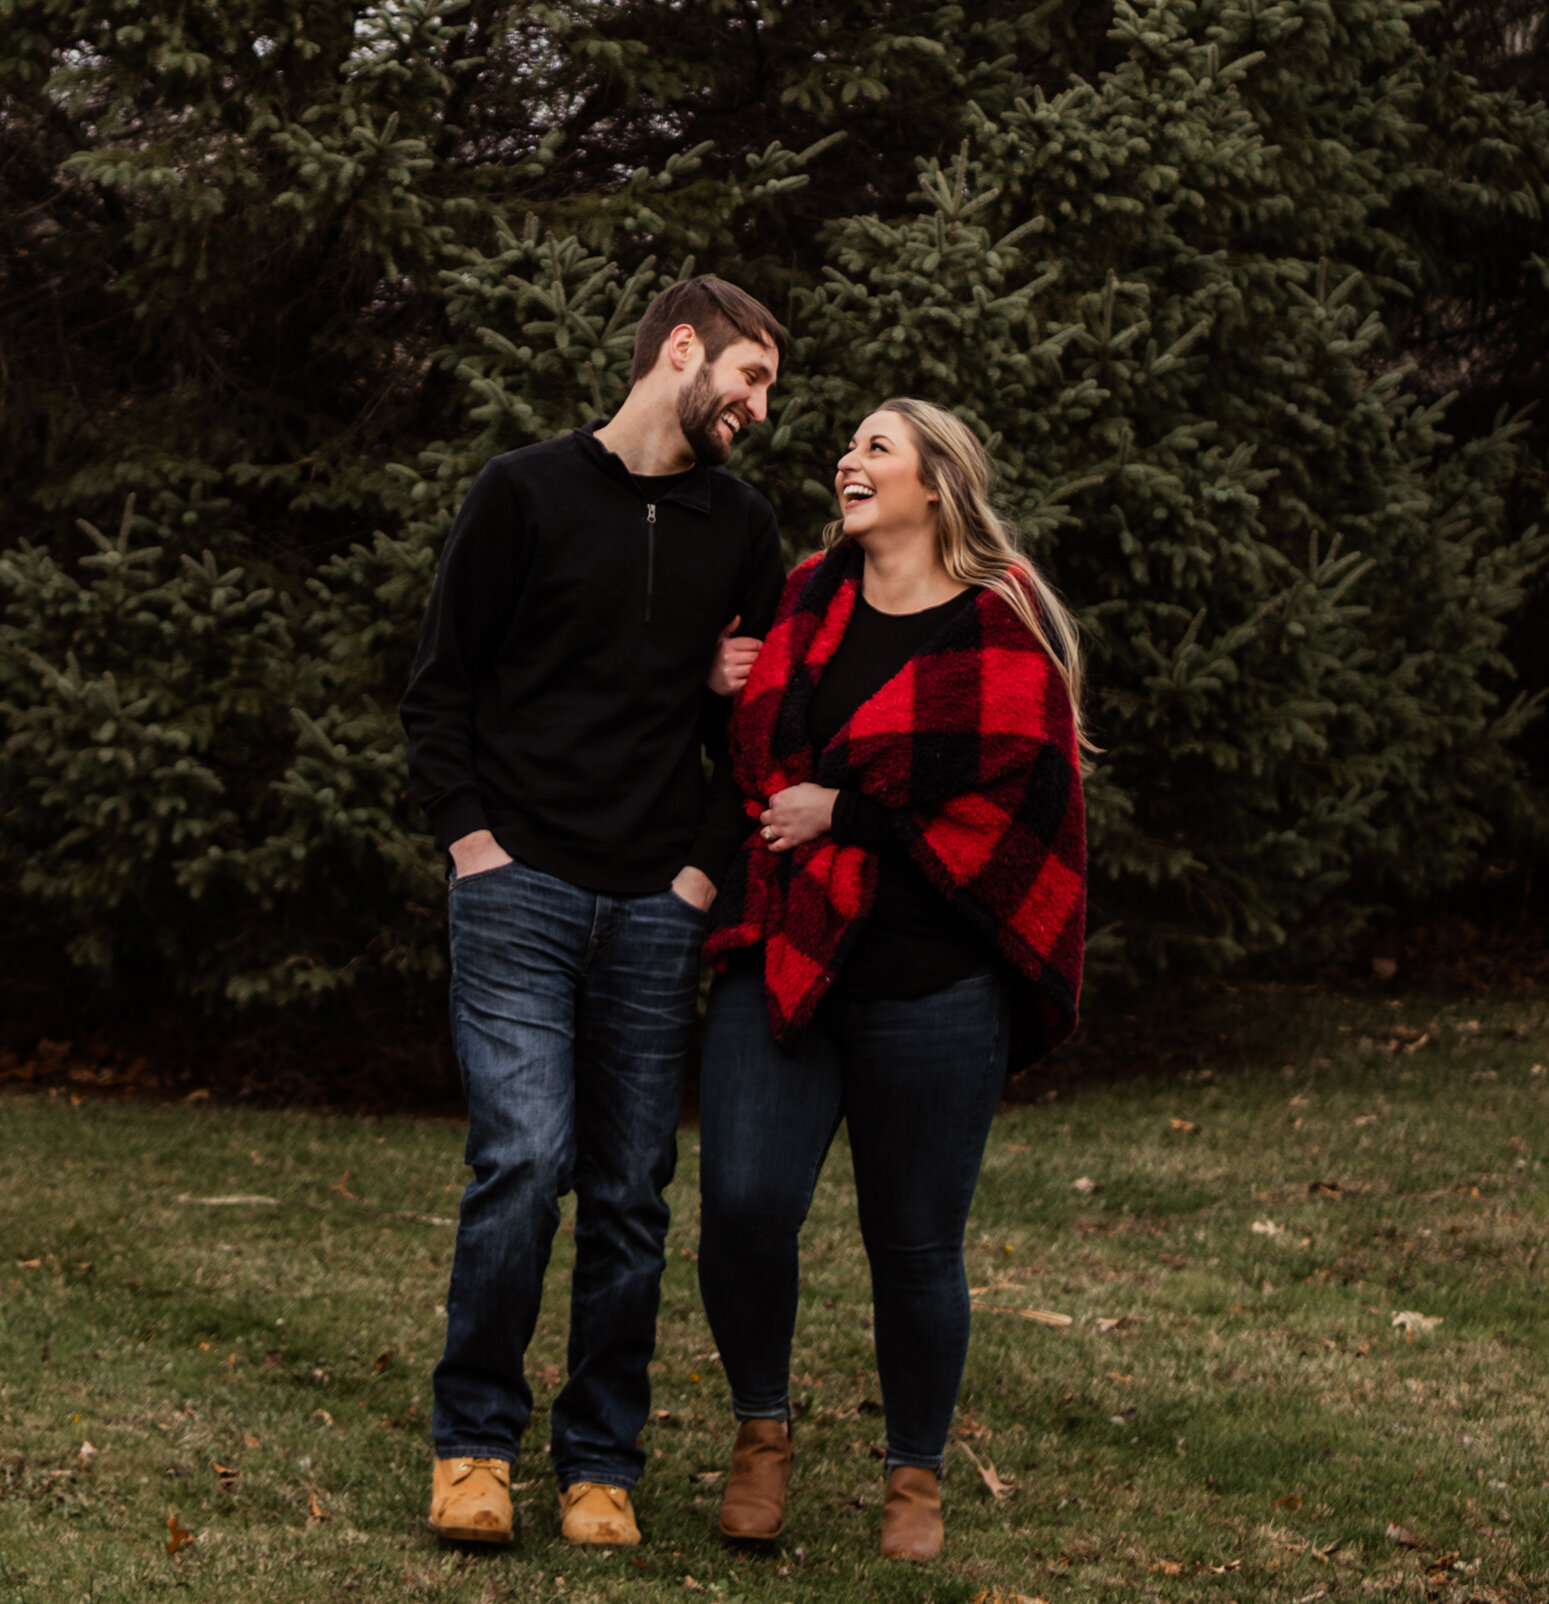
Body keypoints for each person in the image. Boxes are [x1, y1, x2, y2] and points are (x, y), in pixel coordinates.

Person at [399, 277, 789, 1549]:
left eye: (768, 388)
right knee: (522, 1164)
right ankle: (473, 1447)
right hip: (519, 887)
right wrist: (476, 847)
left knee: (630, 1190)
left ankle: (600, 1461)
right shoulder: (522, 492)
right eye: (750, 376)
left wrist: (697, 873)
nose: (759, 407)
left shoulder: (742, 527)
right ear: (682, 349)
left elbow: (767, 725)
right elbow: (440, 689)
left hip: (653, 901)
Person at [696, 398, 1089, 1561]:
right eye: (849, 446)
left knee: (915, 1242)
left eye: (877, 446)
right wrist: (722, 682)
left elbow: (1013, 807)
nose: (848, 461)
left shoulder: (1002, 630)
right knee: (744, 1205)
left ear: (935, 484)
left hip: (936, 983)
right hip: (788, 948)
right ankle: (761, 1432)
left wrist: (848, 810)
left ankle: (913, 1472)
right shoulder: (807, 602)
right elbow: (761, 754)